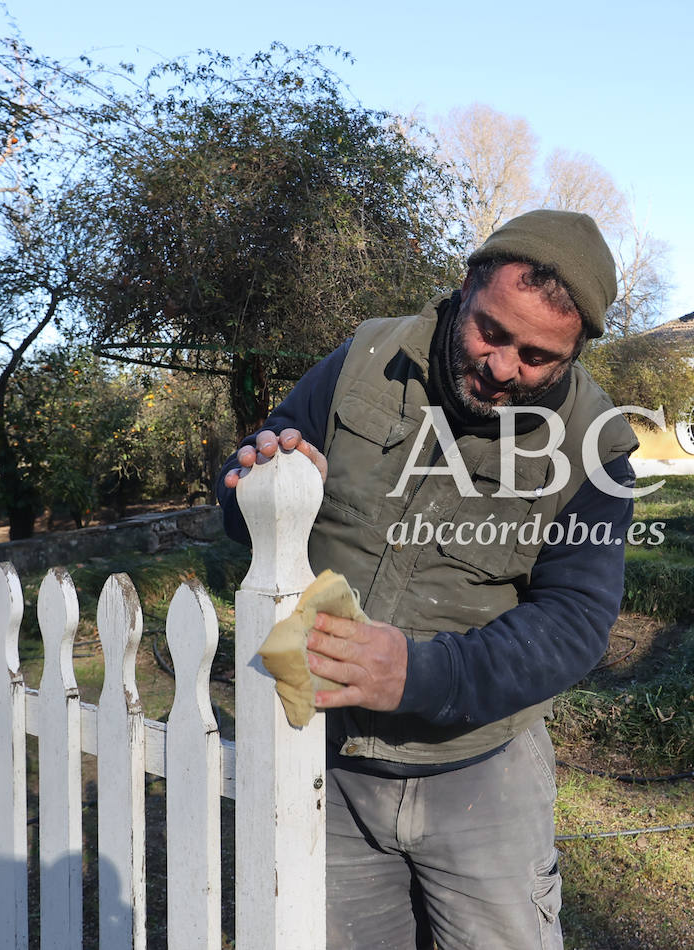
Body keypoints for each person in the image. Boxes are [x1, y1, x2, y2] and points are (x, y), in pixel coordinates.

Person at [215, 210, 639, 950]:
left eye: (539, 356)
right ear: (468, 283)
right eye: (493, 333)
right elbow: (254, 495)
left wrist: (419, 675)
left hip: (484, 776)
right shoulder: (362, 360)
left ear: (576, 352)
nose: (503, 367)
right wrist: (255, 476)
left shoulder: (598, 446)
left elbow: (574, 624)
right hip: (327, 763)